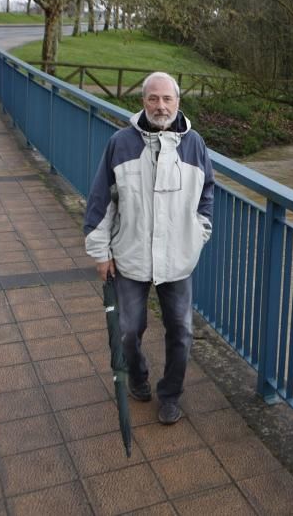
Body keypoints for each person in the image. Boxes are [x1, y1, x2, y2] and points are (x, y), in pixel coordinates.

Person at [84, 72, 214, 425]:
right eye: (153, 98)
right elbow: (100, 200)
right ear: (143, 101)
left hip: (178, 259)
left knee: (182, 333)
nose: (160, 106)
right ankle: (138, 377)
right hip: (131, 255)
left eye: (167, 99)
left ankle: (171, 394)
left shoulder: (195, 145)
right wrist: (100, 251)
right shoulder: (120, 143)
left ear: (178, 102)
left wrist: (199, 232)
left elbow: (207, 196)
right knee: (128, 329)